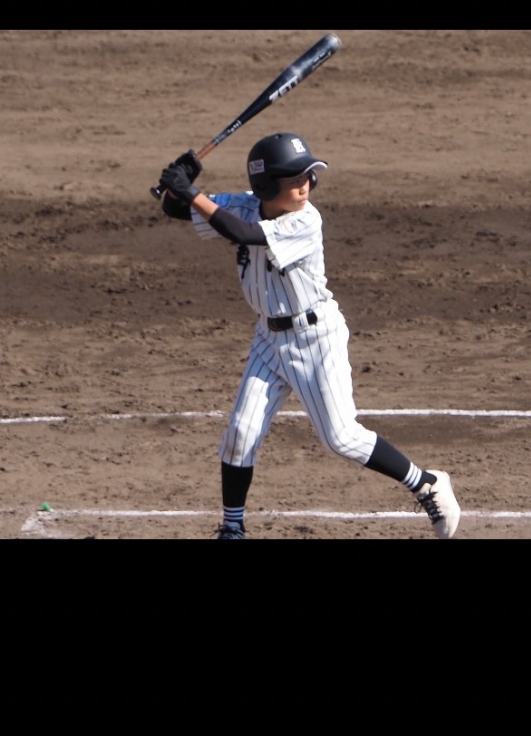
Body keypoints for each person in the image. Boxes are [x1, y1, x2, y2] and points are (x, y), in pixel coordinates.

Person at [158, 133, 462, 541]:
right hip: (268, 340)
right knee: (240, 435)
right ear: (267, 186)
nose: (305, 186)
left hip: (316, 338)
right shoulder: (244, 204)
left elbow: (242, 233)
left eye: (308, 176)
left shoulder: (305, 220)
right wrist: (178, 184)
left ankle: (426, 483)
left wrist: (190, 191)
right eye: (294, 179)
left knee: (341, 438)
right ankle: (232, 528)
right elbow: (178, 210)